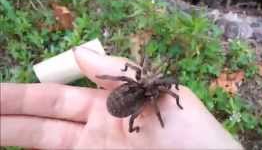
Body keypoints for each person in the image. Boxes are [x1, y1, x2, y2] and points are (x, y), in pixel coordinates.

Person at [0, 47, 243, 149]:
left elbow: (160, 99)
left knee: (136, 107)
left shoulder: (149, 91)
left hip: (127, 99)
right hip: (125, 99)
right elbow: (132, 78)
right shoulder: (143, 87)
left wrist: (172, 109)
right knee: (136, 105)